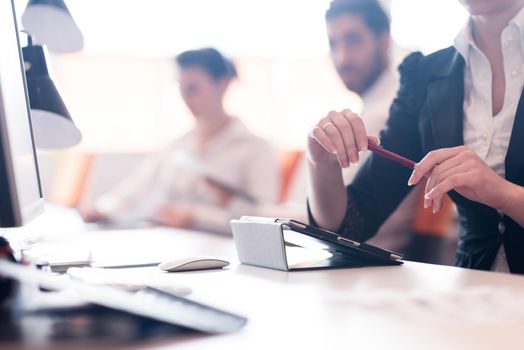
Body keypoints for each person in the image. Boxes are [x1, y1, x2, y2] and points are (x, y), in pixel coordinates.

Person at [307, 0, 524, 273]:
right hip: (472, 295)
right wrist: (321, 164)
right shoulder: (424, 76)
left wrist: (506, 196)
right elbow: (352, 224)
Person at [82, 48, 280, 234]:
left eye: (193, 88)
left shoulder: (255, 148)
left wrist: (195, 216)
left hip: (222, 250)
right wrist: (102, 209)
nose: (185, 98)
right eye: (181, 88)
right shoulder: (177, 145)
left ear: (223, 83)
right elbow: (134, 189)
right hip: (171, 242)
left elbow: (264, 219)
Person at [276, 0, 420, 255]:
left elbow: (340, 219)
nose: (342, 58)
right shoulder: (364, 110)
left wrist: (226, 216)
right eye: (334, 44)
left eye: (353, 40)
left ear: (384, 40)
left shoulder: (389, 113)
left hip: (361, 262)